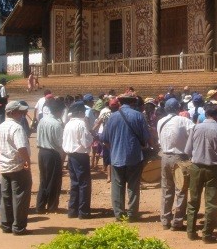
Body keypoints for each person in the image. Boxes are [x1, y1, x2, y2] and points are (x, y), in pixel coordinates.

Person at [185, 104, 217, 243]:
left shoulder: (195, 128)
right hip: (213, 169)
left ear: (206, 114)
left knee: (193, 200)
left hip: (196, 167)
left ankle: (191, 232)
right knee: (211, 203)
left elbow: (188, 150)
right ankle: (207, 235)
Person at [101, 91, 150, 221]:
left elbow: (104, 138)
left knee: (117, 186)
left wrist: (113, 149)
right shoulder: (139, 116)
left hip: (116, 157)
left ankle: (119, 214)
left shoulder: (112, 117)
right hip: (134, 156)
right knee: (133, 186)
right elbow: (146, 138)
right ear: (133, 102)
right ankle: (132, 214)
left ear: (120, 103)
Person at [157, 97, 195, 231]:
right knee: (181, 189)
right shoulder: (185, 121)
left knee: (166, 189)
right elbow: (194, 134)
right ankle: (177, 222)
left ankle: (165, 220)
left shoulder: (160, 122)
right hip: (180, 157)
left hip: (165, 157)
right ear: (178, 108)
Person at [0, 100, 32, 235]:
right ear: (12, 113)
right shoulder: (17, 128)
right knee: (20, 197)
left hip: (5, 166)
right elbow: (21, 147)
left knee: (6, 196)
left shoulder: (0, 127)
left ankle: (6, 224)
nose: (22, 114)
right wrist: (26, 161)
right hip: (18, 166)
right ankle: (18, 226)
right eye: (19, 111)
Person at [63, 101, 94, 219]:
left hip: (71, 155)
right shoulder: (81, 124)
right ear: (80, 112)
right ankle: (83, 211)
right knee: (84, 184)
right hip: (80, 156)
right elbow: (86, 142)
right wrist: (92, 138)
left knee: (74, 183)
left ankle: (72, 210)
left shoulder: (68, 124)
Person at [36, 98, 66, 214]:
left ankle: (40, 205)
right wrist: (62, 157)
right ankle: (52, 205)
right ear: (59, 111)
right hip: (52, 153)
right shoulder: (56, 124)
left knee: (43, 179)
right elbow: (60, 143)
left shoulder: (42, 120)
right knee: (54, 180)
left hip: (42, 152)